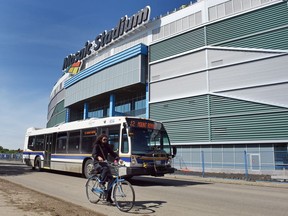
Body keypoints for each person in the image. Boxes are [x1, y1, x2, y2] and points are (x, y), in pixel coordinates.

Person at [92, 134, 119, 203]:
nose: (105, 141)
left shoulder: (107, 146)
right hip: (97, 163)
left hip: (104, 163)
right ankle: (102, 182)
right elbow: (94, 154)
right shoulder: (97, 145)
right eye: (104, 139)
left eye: (107, 139)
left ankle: (108, 198)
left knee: (112, 180)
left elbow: (112, 153)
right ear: (101, 139)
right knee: (105, 169)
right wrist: (98, 157)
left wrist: (117, 157)